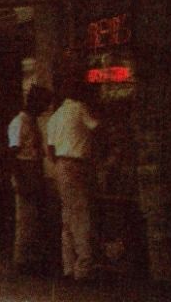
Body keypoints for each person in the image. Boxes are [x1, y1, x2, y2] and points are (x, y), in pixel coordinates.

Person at [46, 79, 99, 282]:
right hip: (77, 164)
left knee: (68, 216)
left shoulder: (55, 117)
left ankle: (69, 266)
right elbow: (96, 128)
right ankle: (84, 268)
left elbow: (50, 149)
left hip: (60, 164)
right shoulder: (80, 109)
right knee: (82, 214)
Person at [8, 85, 52, 275]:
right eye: (43, 104)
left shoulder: (33, 122)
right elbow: (12, 154)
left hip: (34, 170)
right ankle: (22, 260)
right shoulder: (19, 122)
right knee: (25, 219)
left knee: (34, 218)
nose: (45, 109)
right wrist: (20, 180)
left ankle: (31, 258)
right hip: (25, 171)